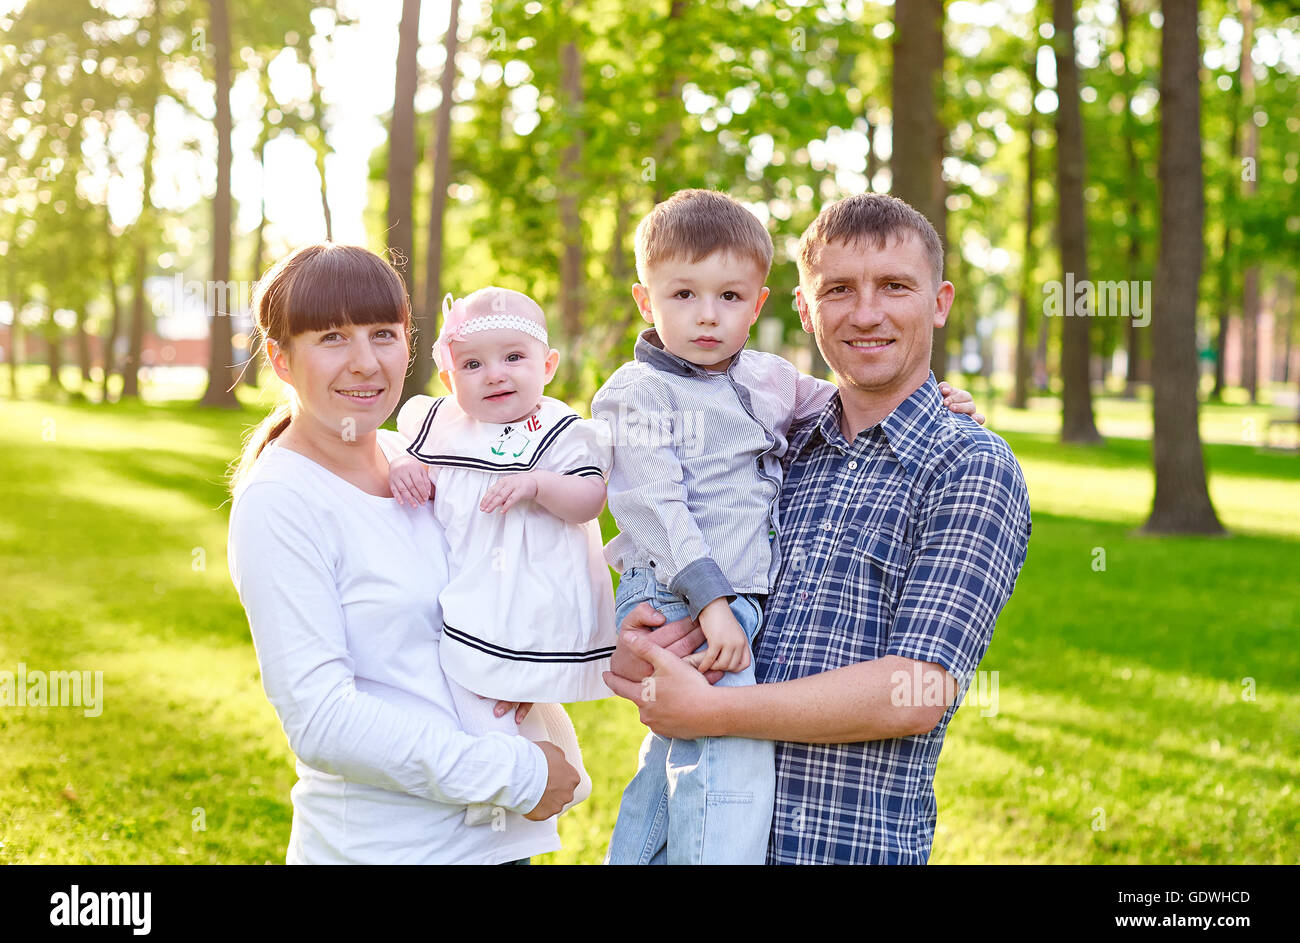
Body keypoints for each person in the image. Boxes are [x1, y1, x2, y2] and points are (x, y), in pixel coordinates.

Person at [604, 192, 1032, 865]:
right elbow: (661, 522)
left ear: (940, 302)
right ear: (804, 310)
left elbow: (915, 691)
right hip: (687, 834)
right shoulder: (776, 437)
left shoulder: (968, 464)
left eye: (895, 286)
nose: (866, 313)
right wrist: (645, 641)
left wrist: (713, 712)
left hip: (836, 847)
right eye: (838, 290)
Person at [227, 245, 578, 864]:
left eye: (384, 334)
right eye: (332, 337)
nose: (366, 363)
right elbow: (322, 719)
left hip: (501, 843)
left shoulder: (429, 457)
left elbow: (516, 573)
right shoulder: (280, 501)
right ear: (280, 358)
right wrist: (516, 774)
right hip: (388, 848)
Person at [385, 286, 616, 826]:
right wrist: (402, 466)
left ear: (548, 365)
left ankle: (511, 786)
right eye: (472, 363)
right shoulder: (443, 426)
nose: (494, 374)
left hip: (531, 592)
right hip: (470, 587)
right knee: (482, 682)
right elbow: (393, 450)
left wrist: (537, 484)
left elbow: (589, 501)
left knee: (504, 686)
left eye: (514, 357)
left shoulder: (559, 430)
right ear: (449, 378)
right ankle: (548, 770)